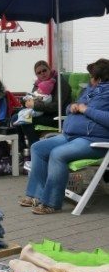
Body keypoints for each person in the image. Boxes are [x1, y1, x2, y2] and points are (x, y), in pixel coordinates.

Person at [20, 58, 109, 214]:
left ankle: (51, 203)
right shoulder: (89, 90)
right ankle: (36, 195)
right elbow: (69, 107)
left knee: (57, 154)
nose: (89, 79)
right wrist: (71, 107)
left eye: (91, 76)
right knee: (38, 148)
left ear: (99, 78)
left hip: (93, 140)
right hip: (71, 135)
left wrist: (85, 110)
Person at [14, 60, 72, 152]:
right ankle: (21, 149)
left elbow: (56, 106)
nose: (42, 74)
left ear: (49, 69)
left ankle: (35, 151)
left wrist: (34, 105)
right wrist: (24, 101)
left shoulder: (60, 83)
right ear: (36, 75)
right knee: (15, 118)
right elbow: (33, 98)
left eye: (44, 70)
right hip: (43, 114)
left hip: (57, 116)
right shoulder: (38, 84)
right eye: (39, 73)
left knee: (26, 120)